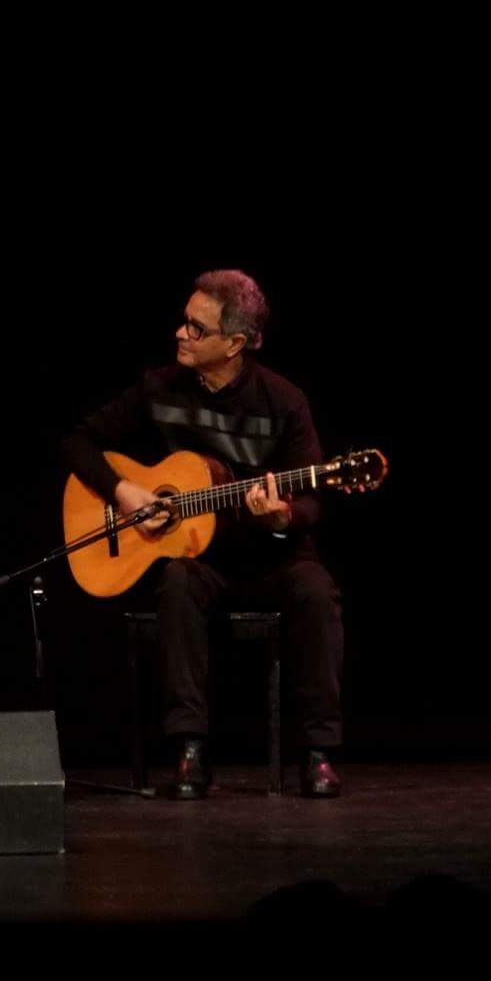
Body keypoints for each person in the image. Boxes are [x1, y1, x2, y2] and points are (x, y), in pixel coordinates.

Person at [63, 270, 345, 798]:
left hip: (271, 556)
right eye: (184, 321)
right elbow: (79, 442)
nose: (180, 333)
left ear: (234, 343)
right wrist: (123, 490)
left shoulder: (284, 401)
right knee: (176, 583)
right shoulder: (159, 387)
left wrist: (282, 517)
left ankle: (318, 752)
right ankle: (189, 750)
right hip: (201, 559)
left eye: (197, 328)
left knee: (316, 592)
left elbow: (312, 497)